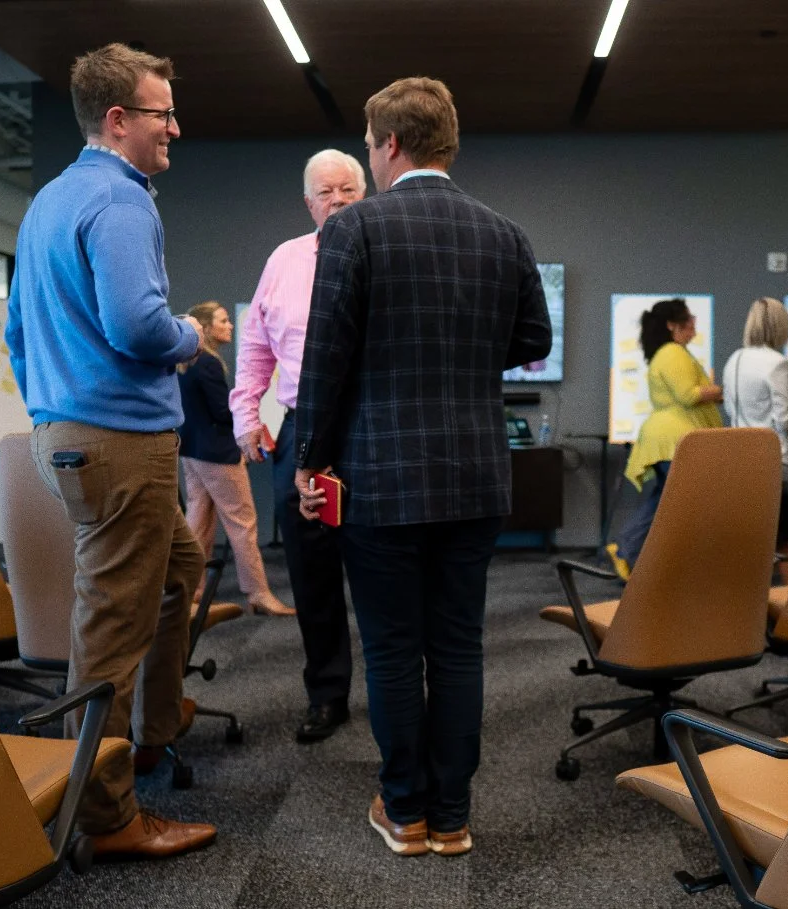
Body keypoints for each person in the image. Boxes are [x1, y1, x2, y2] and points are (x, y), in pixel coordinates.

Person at [293, 76, 551, 857]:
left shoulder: (355, 230)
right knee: (459, 647)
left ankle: (404, 811)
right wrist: (468, 354)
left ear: (390, 144)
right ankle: (453, 814)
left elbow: (326, 359)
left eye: (369, 148)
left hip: (380, 479)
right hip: (475, 476)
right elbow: (533, 340)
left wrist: (311, 459)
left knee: (394, 649)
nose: (369, 162)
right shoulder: (504, 233)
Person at [4, 42, 216, 860]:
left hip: (70, 432)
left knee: (180, 567)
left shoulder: (50, 201)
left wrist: (57, 408)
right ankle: (108, 813)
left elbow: (20, 335)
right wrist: (190, 336)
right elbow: (138, 325)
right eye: (161, 113)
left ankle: (153, 724)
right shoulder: (123, 200)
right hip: (123, 440)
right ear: (119, 119)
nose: (174, 127)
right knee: (110, 624)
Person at [229, 148, 366, 743]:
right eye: (325, 193)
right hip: (300, 426)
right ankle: (327, 693)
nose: (336, 201)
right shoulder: (284, 259)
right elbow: (256, 346)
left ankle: (397, 695)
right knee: (312, 573)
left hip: (369, 427)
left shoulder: (382, 247)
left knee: (383, 565)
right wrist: (245, 415)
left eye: (347, 190)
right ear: (308, 202)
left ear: (365, 194)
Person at [178, 301, 293, 616]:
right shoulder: (210, 364)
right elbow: (222, 413)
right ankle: (259, 594)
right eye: (223, 320)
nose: (230, 325)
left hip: (192, 454)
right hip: (218, 456)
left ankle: (191, 593)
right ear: (206, 327)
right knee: (243, 525)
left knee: (197, 526)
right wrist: (250, 424)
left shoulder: (187, 362)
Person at [607, 298, 723, 579]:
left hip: (673, 438)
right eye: (688, 317)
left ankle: (630, 550)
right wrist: (722, 389)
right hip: (674, 439)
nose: (694, 321)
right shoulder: (672, 352)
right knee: (673, 501)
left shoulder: (673, 352)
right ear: (673, 325)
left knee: (666, 499)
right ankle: (627, 550)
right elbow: (689, 395)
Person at [722, 297, 788, 584]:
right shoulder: (779, 364)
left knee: (748, 543)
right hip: (776, 464)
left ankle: (743, 613)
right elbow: (784, 421)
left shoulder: (734, 359)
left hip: (740, 461)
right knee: (783, 545)